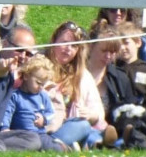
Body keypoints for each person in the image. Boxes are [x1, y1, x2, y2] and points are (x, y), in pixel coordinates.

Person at [45, 21, 105, 149]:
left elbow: (98, 112)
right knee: (83, 127)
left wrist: (89, 114)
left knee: (86, 126)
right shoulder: (40, 66)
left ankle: (102, 143)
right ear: (54, 41)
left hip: (73, 125)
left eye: (73, 46)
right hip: (48, 128)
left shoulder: (83, 75)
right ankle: (96, 143)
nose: (68, 49)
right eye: (65, 43)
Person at [2, 55, 63, 151]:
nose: (41, 87)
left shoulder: (43, 96)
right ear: (26, 76)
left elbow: (51, 113)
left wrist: (44, 119)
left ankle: (65, 147)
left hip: (40, 134)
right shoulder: (15, 96)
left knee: (54, 148)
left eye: (43, 84)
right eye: (38, 83)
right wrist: (5, 128)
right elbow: (7, 113)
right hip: (22, 134)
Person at [115, 20, 146, 108]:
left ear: (138, 42)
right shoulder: (114, 69)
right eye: (119, 44)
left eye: (126, 43)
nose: (122, 47)